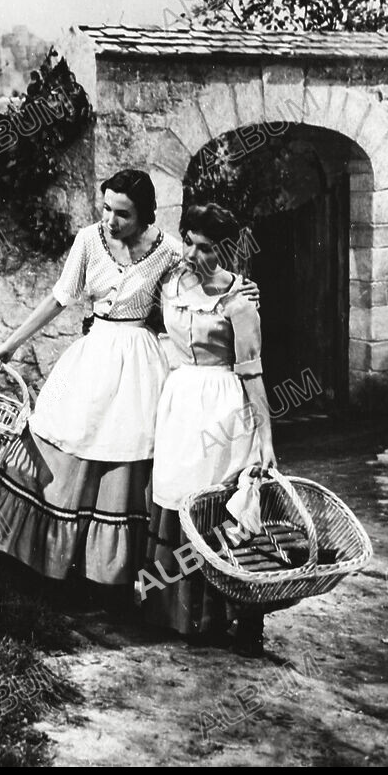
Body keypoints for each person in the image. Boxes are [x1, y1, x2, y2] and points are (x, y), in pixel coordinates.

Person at [0, 169, 258, 603]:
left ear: (146, 215)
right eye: (106, 208)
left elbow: (203, 283)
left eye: (123, 214)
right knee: (65, 440)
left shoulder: (168, 249)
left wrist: (242, 292)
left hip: (141, 360)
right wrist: (12, 343)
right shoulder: (89, 240)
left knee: (130, 459)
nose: (111, 220)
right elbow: (59, 297)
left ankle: (110, 581)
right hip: (94, 354)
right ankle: (46, 564)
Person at [143, 203, 277, 656]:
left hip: (223, 407)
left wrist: (266, 440)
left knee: (217, 506)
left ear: (228, 248)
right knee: (178, 497)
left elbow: (254, 375)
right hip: (180, 403)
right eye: (191, 244)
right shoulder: (170, 285)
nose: (194, 256)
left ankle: (232, 617)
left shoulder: (240, 304)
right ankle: (177, 615)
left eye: (207, 248)